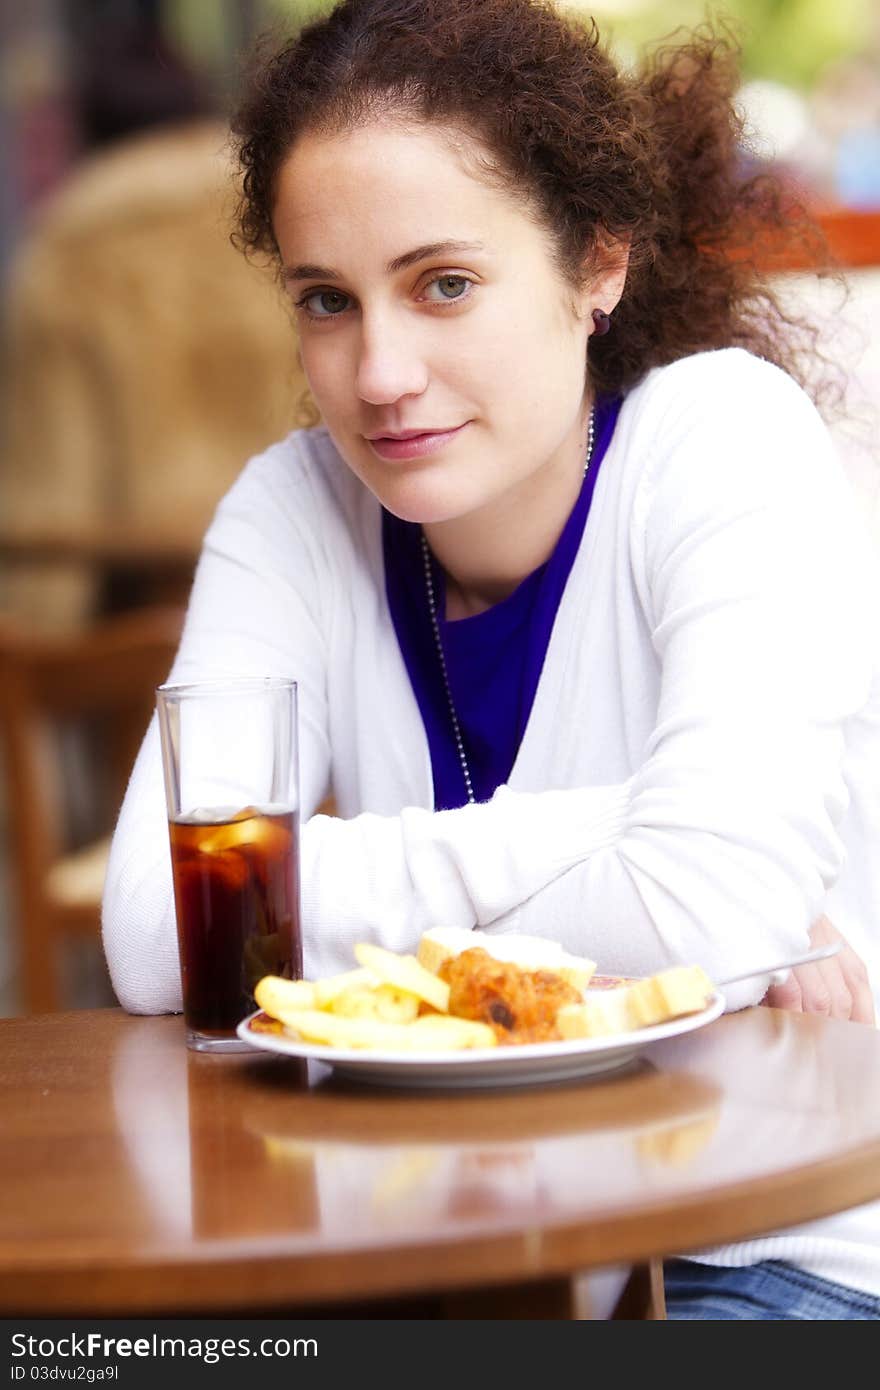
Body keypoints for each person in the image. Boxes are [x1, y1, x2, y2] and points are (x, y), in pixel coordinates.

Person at [102, 0, 880, 1318]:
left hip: (776, 1250)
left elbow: (698, 907)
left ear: (597, 265)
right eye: (327, 302)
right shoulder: (294, 511)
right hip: (449, 1234)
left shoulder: (720, 443)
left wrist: (313, 886)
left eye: (443, 284)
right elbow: (159, 928)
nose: (382, 371)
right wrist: (636, 839)